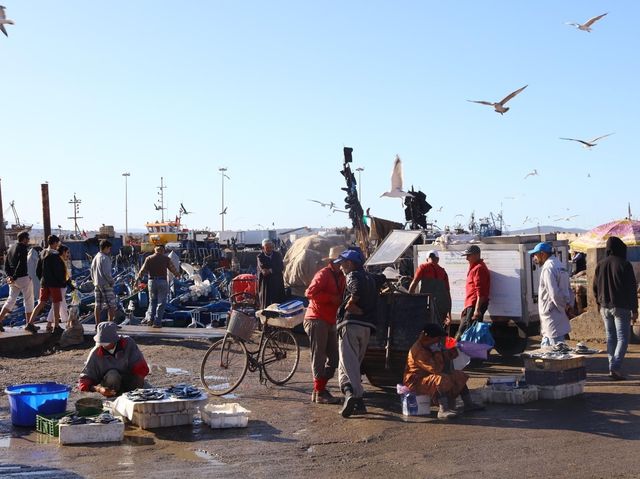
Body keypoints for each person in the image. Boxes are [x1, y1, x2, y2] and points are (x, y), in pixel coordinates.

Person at [335, 249, 385, 418]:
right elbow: (382, 278)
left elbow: (355, 289)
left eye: (342, 263)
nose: (341, 267)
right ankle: (358, 402)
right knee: (353, 364)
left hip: (350, 324)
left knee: (348, 364)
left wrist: (351, 303)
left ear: (350, 263)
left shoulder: (352, 276)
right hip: (366, 327)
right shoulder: (370, 277)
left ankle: (354, 397)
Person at [403, 323, 483, 419]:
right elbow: (436, 369)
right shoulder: (418, 351)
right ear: (428, 338)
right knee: (440, 379)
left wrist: (453, 349)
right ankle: (443, 410)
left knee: (459, 375)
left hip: (428, 377)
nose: (438, 341)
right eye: (437, 338)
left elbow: (448, 357)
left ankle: (469, 404)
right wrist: (437, 352)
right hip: (415, 382)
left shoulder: (430, 346)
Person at [304, 246, 346, 405]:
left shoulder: (341, 276)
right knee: (319, 356)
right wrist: (330, 298)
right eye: (340, 261)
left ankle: (319, 388)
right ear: (333, 262)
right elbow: (309, 293)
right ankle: (320, 392)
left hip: (329, 320)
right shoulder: (323, 274)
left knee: (334, 358)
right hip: (317, 319)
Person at [593, 236, 639, 380]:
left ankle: (612, 366)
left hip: (604, 307)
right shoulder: (624, 264)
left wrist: (598, 302)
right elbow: (631, 289)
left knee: (611, 338)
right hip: (621, 307)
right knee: (623, 338)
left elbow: (595, 287)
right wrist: (635, 309)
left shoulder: (600, 264)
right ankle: (615, 367)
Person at [78, 321, 149, 397]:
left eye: (107, 342)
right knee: (113, 375)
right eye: (102, 342)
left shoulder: (128, 343)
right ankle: (114, 397)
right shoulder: (95, 353)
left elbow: (140, 368)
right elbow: (84, 381)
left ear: (115, 339)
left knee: (148, 392)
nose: (104, 345)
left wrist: (137, 391)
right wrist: (99, 389)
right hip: (111, 385)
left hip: (129, 379)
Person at [529, 242, 573, 347]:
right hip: (556, 314)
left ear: (542, 254)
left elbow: (554, 293)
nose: (534, 258)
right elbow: (569, 289)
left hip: (552, 313)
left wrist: (563, 307)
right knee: (549, 345)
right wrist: (568, 305)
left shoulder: (548, 268)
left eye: (535, 254)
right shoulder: (559, 265)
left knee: (556, 350)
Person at [25, 235, 65, 334]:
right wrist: (62, 282)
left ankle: (30, 323)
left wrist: (42, 279)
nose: (58, 245)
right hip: (54, 283)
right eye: (57, 243)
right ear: (55, 243)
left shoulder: (42, 253)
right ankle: (56, 326)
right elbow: (58, 271)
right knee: (56, 303)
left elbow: (38, 270)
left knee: (41, 302)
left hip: (44, 282)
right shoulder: (55, 255)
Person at [135, 244, 180, 328]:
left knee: (152, 301)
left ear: (155, 250)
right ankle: (157, 322)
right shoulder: (166, 259)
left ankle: (150, 320)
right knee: (161, 303)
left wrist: (137, 280)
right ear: (162, 251)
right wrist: (178, 275)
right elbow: (173, 269)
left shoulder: (149, 258)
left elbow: (142, 271)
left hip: (151, 281)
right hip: (162, 281)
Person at [0, 231, 34, 332]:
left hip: (12, 280)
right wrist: (14, 276)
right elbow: (21, 264)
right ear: (23, 239)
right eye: (27, 238)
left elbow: (6, 265)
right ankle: (30, 324)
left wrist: (9, 276)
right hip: (22, 277)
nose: (28, 240)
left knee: (11, 300)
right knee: (29, 300)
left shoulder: (10, 248)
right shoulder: (23, 248)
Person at [455, 245, 491, 340]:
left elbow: (480, 291)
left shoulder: (478, 268)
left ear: (476, 255)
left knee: (464, 329)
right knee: (468, 330)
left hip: (474, 304)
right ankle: (467, 351)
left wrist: (476, 309)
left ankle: (455, 351)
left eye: (469, 255)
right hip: (471, 304)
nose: (467, 258)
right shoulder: (475, 267)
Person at [408, 249, 452, 326]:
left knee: (425, 329)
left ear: (427, 259)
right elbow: (447, 293)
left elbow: (414, 283)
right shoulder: (443, 272)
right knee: (438, 330)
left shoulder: (423, 267)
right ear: (437, 259)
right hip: (441, 307)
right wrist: (449, 312)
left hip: (426, 305)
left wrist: (408, 300)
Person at [45, 244, 74, 333]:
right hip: (60, 286)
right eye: (67, 252)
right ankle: (50, 324)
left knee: (61, 305)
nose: (68, 255)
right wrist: (68, 284)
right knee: (56, 305)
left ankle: (66, 323)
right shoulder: (60, 261)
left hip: (62, 286)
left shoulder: (61, 261)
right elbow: (62, 276)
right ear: (63, 252)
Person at [91, 240, 117, 325]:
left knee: (97, 305)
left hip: (97, 284)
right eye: (109, 248)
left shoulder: (96, 257)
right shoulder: (105, 258)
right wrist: (111, 281)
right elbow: (106, 273)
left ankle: (97, 324)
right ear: (105, 248)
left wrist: (94, 281)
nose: (109, 250)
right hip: (105, 284)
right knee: (111, 305)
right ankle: (111, 324)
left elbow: (91, 271)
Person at [257, 239, 286, 309]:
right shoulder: (260, 257)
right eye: (267, 247)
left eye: (271, 247)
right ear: (263, 248)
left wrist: (270, 270)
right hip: (266, 284)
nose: (269, 249)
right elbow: (264, 271)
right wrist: (274, 269)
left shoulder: (277, 255)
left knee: (278, 304)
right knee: (266, 304)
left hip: (277, 283)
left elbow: (281, 267)